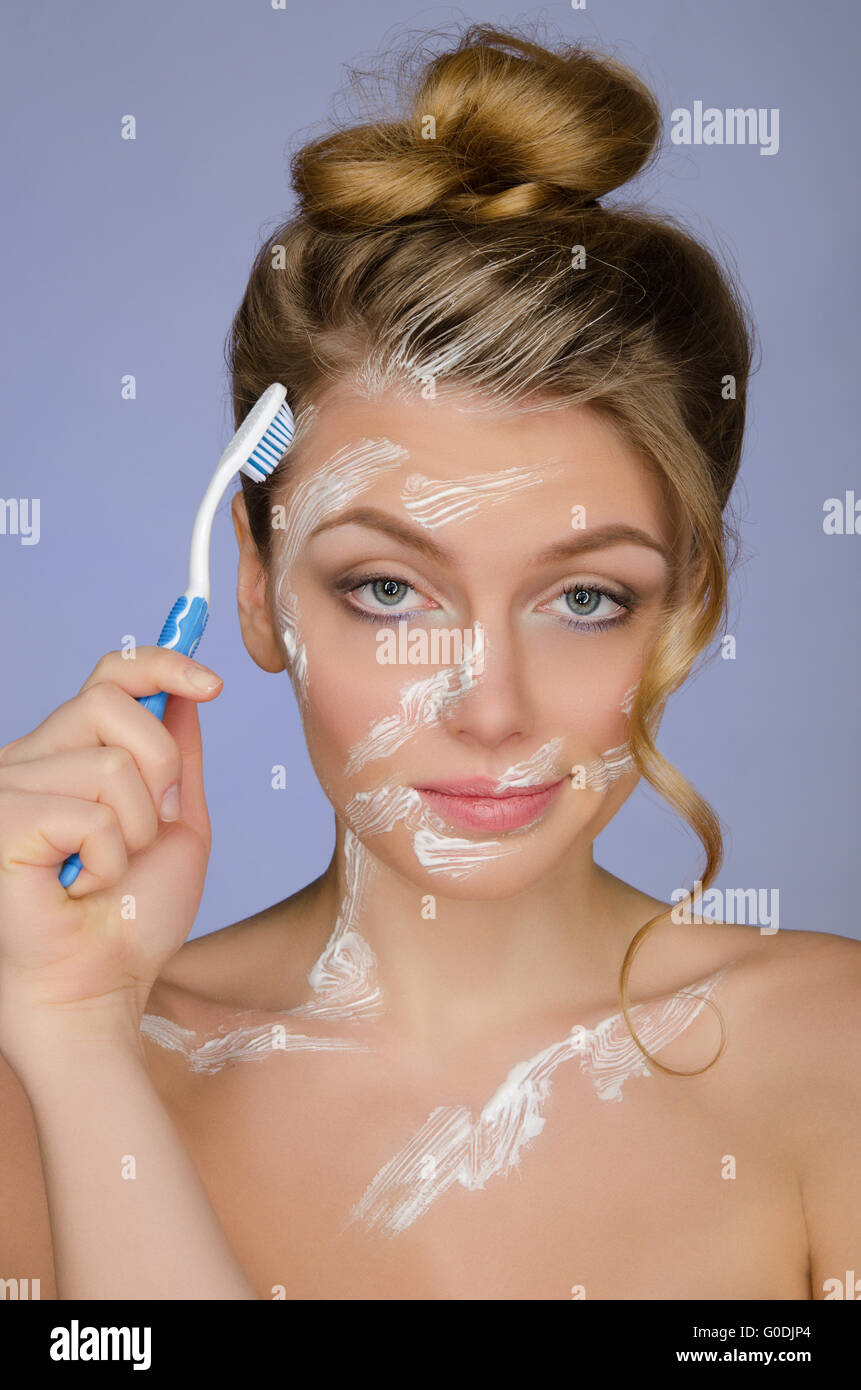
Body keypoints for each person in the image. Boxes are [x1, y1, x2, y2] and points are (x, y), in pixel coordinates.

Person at [1, 24, 858, 1301]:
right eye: (390, 589)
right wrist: (74, 1042)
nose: (490, 707)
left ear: (688, 600)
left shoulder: (838, 1056)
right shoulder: (44, 1087)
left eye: (583, 596)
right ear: (256, 583)